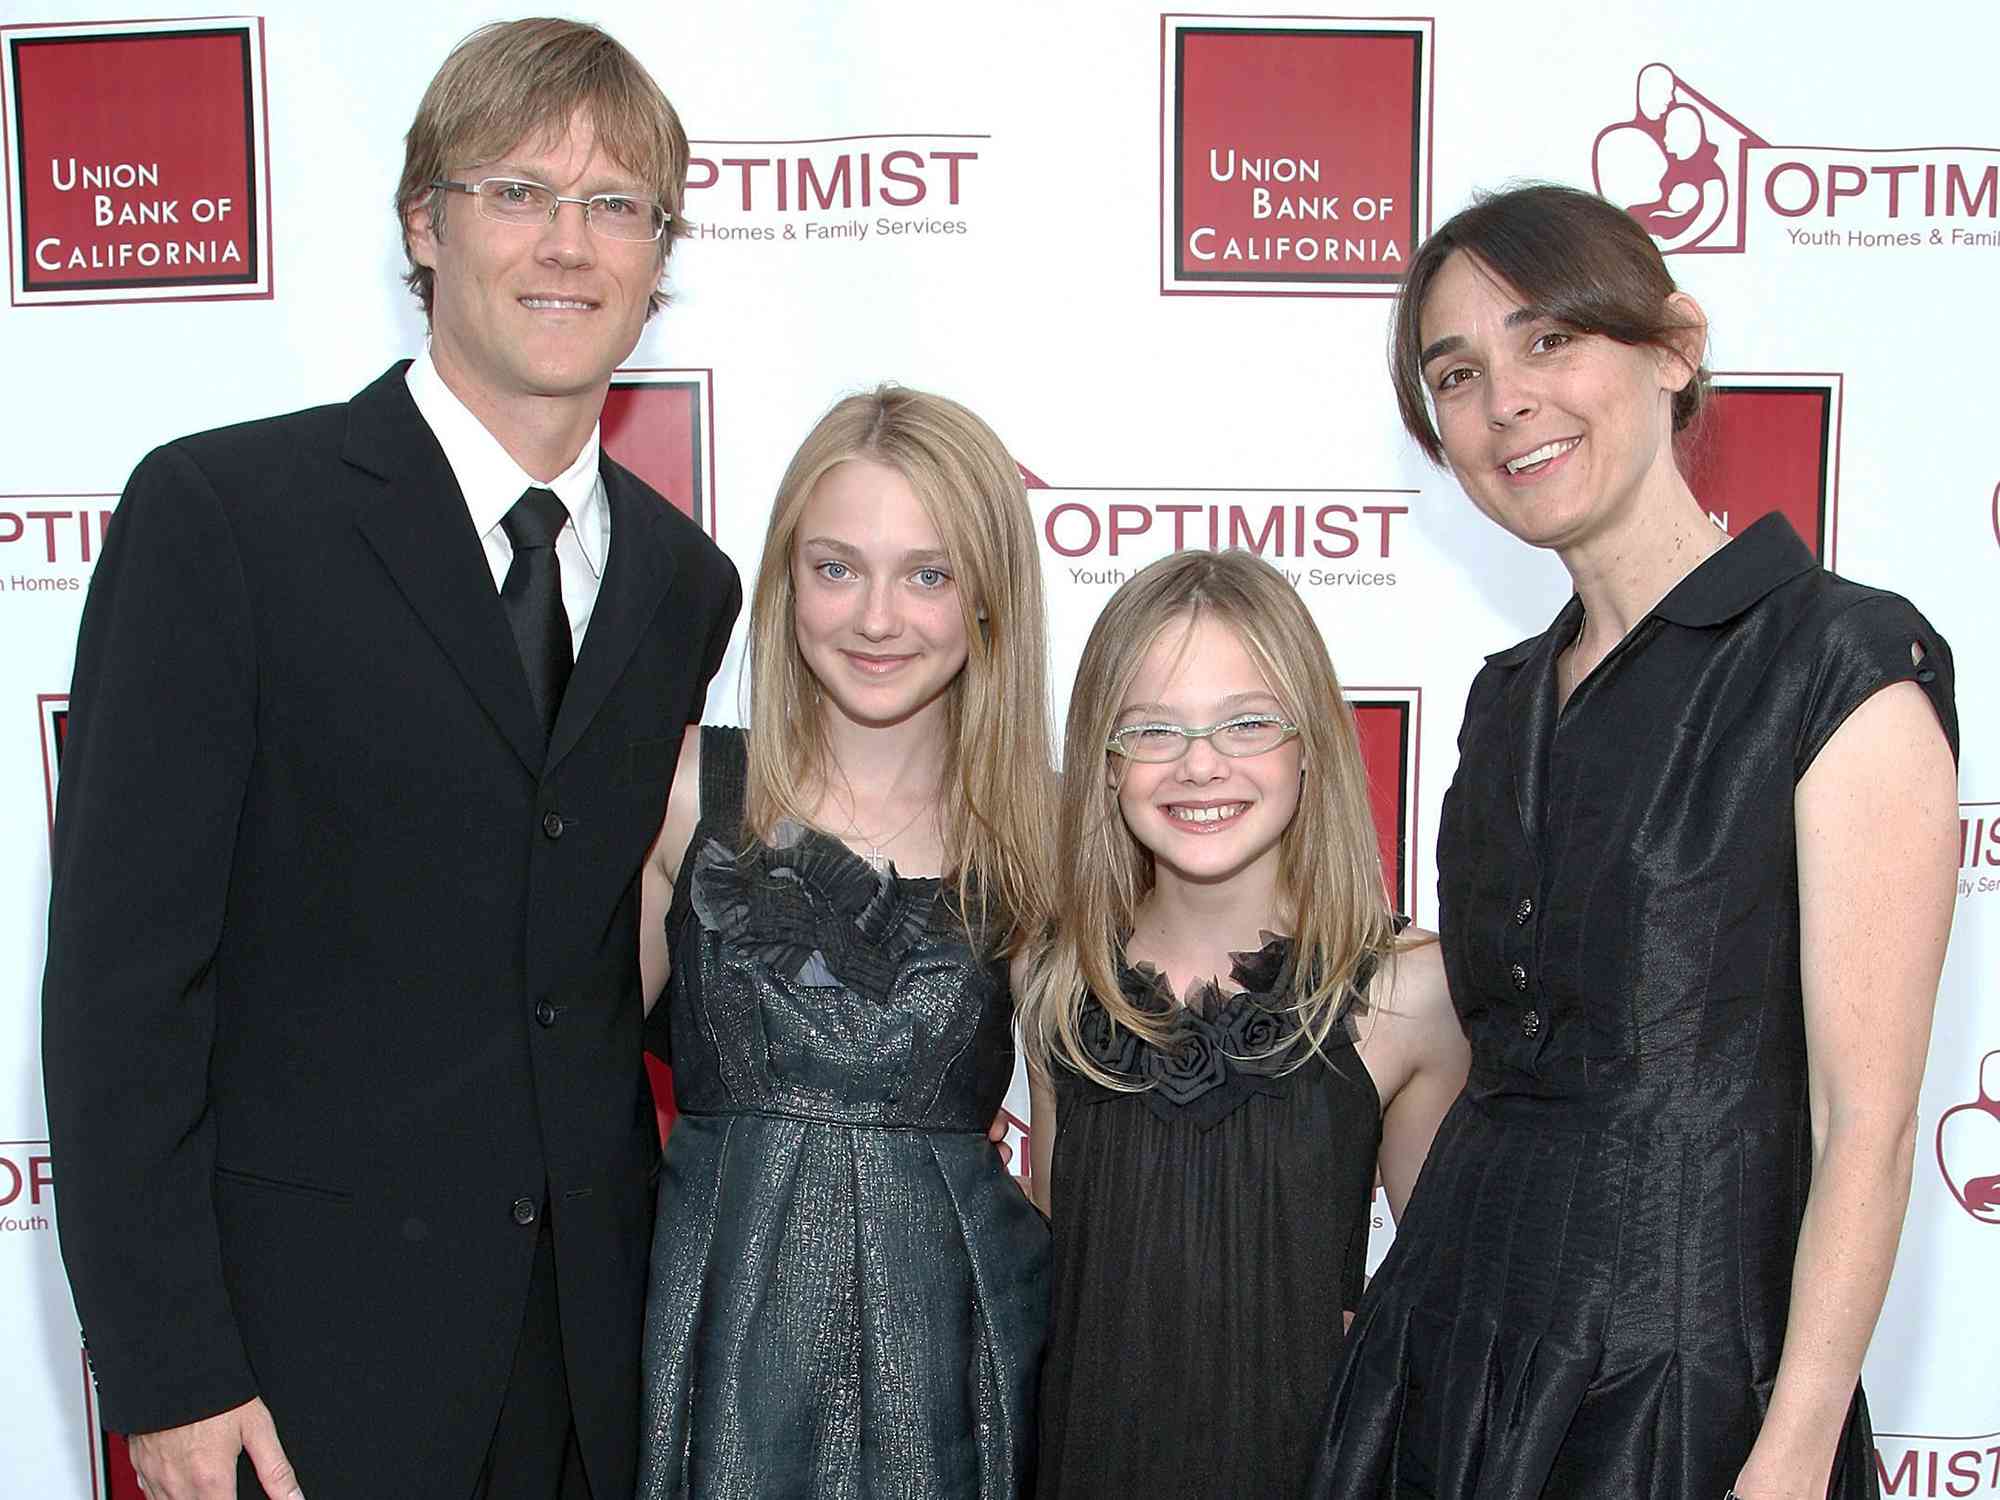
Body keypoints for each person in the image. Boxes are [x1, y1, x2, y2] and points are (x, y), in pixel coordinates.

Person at [42, 19, 739, 1500]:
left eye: (617, 205)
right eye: (518, 192)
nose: (569, 244)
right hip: (297, 1374)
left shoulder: (688, 584)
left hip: (593, 1370)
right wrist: (170, 1372)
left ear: (659, 258)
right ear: (424, 223)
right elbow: (121, 990)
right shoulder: (226, 519)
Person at [1306, 183, 1958, 1500]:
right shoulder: (1502, 701)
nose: (1508, 402)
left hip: (1690, 1383)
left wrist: (1790, 1454)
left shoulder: (1838, 661)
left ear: (1673, 347)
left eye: (1551, 340)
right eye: (1459, 372)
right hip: (1453, 1349)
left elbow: (1867, 1127)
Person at [633, 386, 1053, 1498]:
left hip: (958, 1359)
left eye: (928, 573)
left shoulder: (1045, 836)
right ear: (784, 582)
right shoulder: (680, 792)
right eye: (835, 568)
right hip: (708, 1343)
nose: (877, 618)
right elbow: (553, 1082)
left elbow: (1068, 1163)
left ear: (988, 597)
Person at [1020, 549, 1469, 1498]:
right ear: (1103, 763)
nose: (1199, 764)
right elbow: (1060, 1265)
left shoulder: (1409, 993)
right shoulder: (1057, 982)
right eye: (1152, 729)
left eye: (1247, 722)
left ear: (1311, 745)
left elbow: (1442, 1306)